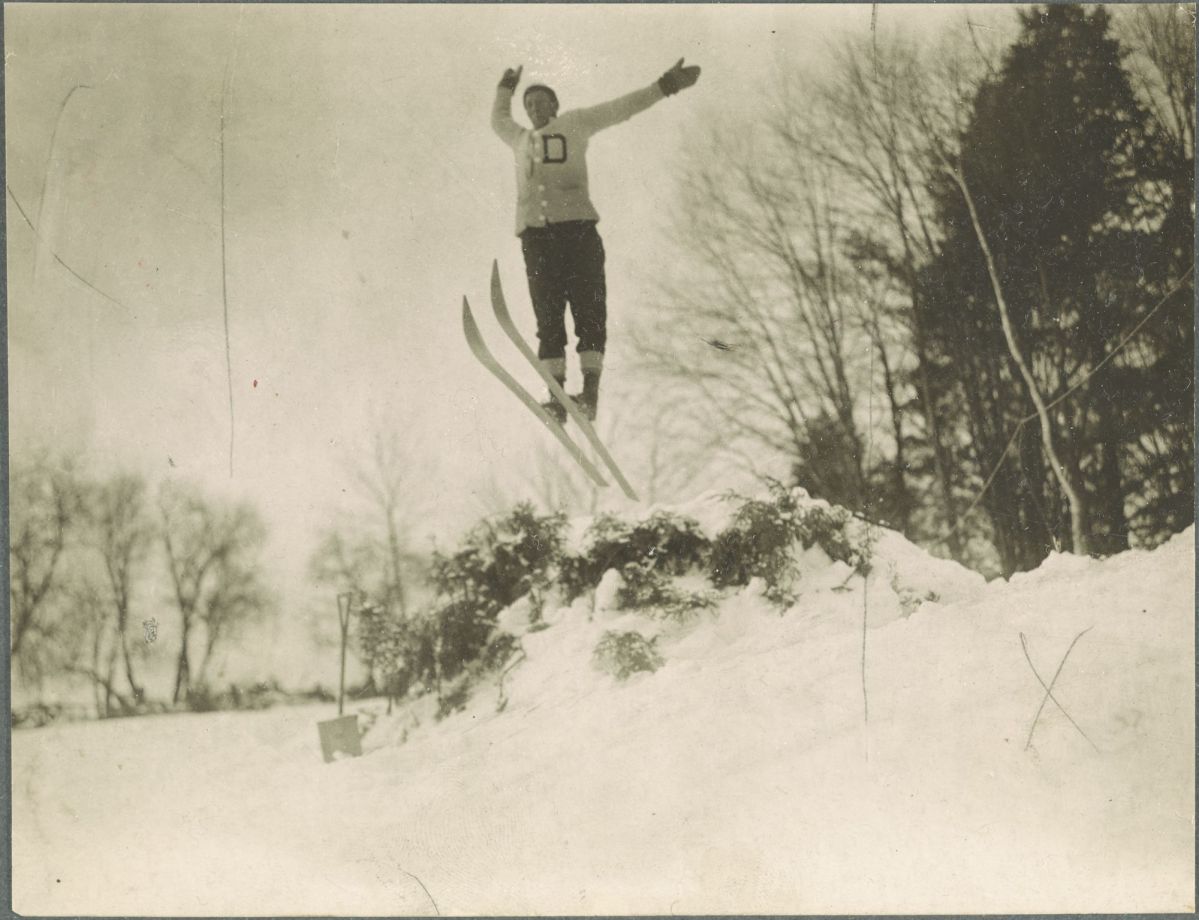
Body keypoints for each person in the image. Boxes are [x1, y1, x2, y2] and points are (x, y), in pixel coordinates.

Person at [491, 59, 701, 424]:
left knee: (588, 312)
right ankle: (556, 398)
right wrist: (505, 89)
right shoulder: (520, 139)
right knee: (548, 316)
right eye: (529, 105)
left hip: (577, 233)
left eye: (540, 102)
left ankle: (589, 394)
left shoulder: (575, 124)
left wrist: (666, 84)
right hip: (536, 238)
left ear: (554, 105)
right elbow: (499, 121)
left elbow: (621, 108)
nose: (534, 109)